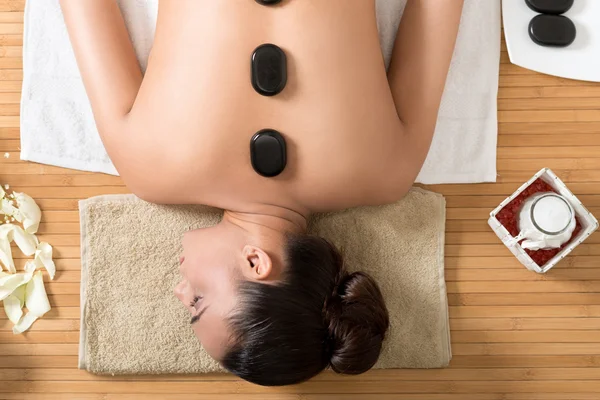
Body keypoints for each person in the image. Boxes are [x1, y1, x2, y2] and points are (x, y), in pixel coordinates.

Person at [60, 0, 464, 386]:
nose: (179, 290)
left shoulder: (387, 175)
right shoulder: (149, 170)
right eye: (198, 302)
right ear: (256, 263)